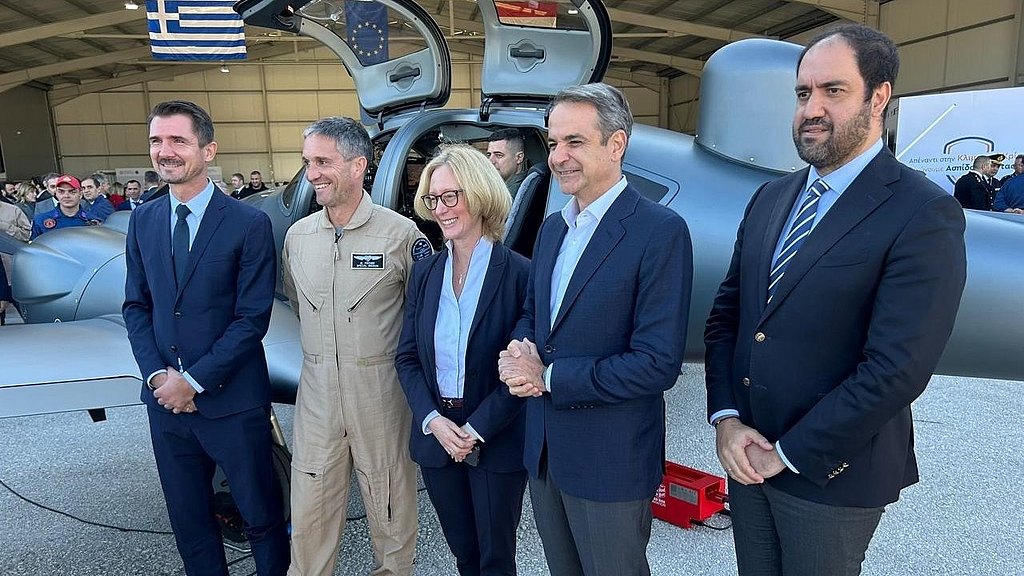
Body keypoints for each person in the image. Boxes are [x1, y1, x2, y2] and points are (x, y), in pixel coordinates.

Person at [703, 24, 967, 576]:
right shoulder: (770, 198)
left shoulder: (922, 212)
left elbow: (897, 368)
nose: (811, 109)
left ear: (879, 96)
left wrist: (787, 453)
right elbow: (729, 318)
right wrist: (726, 418)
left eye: (833, 91)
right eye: (803, 93)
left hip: (831, 473)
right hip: (747, 455)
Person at [496, 83, 693, 576]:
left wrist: (548, 377)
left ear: (616, 144)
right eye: (553, 142)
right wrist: (518, 350)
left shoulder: (659, 231)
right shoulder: (553, 228)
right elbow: (534, 314)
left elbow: (656, 364)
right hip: (546, 454)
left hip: (610, 462)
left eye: (575, 142)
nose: (558, 156)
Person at [122, 100, 289, 576]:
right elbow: (136, 307)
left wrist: (192, 382)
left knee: (262, 519)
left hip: (232, 403)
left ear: (208, 150)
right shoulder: (143, 220)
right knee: (190, 524)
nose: (165, 151)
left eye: (178, 140)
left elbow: (251, 319)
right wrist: (159, 378)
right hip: (166, 407)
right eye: (156, 140)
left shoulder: (248, 224)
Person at [281, 116, 430, 576]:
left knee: (390, 505)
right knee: (310, 510)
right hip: (317, 395)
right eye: (308, 162)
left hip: (381, 394)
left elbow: (423, 320)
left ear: (358, 165)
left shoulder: (402, 236)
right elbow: (296, 301)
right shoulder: (297, 238)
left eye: (323, 162)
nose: (312, 174)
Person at [395, 144, 529, 576]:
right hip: (437, 434)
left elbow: (521, 370)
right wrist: (432, 420)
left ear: (480, 194)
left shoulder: (520, 274)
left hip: (494, 435)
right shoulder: (425, 273)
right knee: (464, 555)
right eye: (433, 198)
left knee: (495, 560)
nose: (441, 208)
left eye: (451, 195)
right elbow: (407, 357)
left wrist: (475, 429)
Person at [30, 175, 96, 239]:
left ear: (80, 194)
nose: (66, 196)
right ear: (56, 194)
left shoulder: (92, 221)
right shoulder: (40, 221)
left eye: (72, 192)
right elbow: (34, 245)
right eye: (61, 192)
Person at [486, 129, 529, 198]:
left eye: (499, 155)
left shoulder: (513, 194)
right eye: (489, 155)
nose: (490, 161)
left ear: (519, 158)